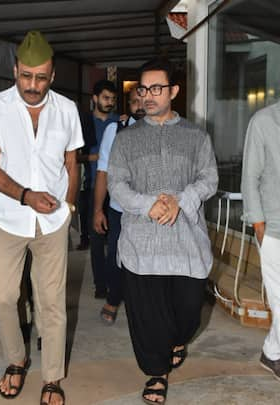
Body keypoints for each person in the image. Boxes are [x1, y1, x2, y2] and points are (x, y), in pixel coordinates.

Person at [0, 31, 82, 405]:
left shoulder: (67, 110)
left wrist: (68, 206)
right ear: (15, 70)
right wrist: (24, 196)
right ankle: (17, 360)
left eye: (41, 78)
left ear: (52, 76)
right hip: (7, 218)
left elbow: (72, 163)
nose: (33, 86)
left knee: (51, 301)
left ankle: (52, 377)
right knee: (3, 297)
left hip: (52, 223)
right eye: (26, 77)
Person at [107, 58, 218, 404]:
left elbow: (209, 179)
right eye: (144, 89)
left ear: (173, 91)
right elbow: (117, 185)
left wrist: (180, 201)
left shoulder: (196, 136)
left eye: (157, 88)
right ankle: (157, 374)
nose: (149, 96)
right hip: (142, 245)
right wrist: (148, 204)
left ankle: (177, 339)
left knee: (187, 314)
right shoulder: (126, 140)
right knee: (148, 317)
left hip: (186, 244)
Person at [93, 85, 145, 325]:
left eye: (144, 101)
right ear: (129, 105)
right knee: (116, 256)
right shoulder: (115, 130)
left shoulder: (165, 131)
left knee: (148, 259)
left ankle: (144, 304)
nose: (140, 106)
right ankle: (113, 299)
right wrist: (97, 209)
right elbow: (103, 172)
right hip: (119, 210)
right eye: (135, 102)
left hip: (151, 211)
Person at [241, 98, 280, 381]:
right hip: (274, 228)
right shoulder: (264, 121)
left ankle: (272, 352)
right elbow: (249, 177)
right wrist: (258, 223)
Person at [78, 80, 118, 298]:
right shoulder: (84, 123)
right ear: (94, 98)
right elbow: (73, 156)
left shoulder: (119, 121)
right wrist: (98, 157)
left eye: (112, 99)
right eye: (105, 98)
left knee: (116, 239)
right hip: (92, 186)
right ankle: (100, 285)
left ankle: (115, 281)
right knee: (97, 240)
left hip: (117, 187)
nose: (109, 102)